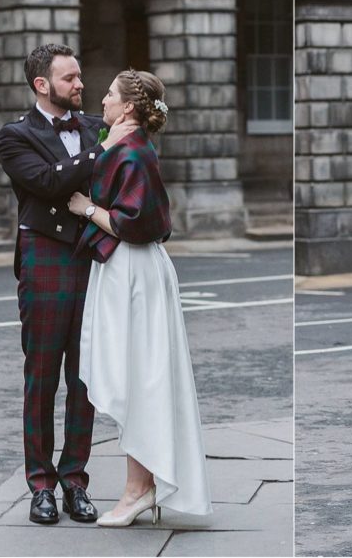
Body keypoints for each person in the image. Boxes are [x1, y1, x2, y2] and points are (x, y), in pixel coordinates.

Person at [67, 69, 212, 527]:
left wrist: (86, 207)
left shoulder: (134, 152)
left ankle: (138, 489)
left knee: (140, 377)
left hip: (133, 269)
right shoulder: (123, 144)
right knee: (137, 375)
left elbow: (131, 224)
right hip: (124, 269)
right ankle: (141, 484)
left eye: (110, 94)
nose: (102, 100)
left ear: (128, 106)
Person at [0, 43, 131, 525]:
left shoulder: (95, 127)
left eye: (79, 76)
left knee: (83, 377)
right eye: (69, 78)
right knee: (42, 374)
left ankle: (75, 480)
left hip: (93, 259)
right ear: (42, 85)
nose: (80, 84)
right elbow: (49, 183)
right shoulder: (15, 136)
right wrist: (104, 149)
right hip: (45, 258)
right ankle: (40, 485)